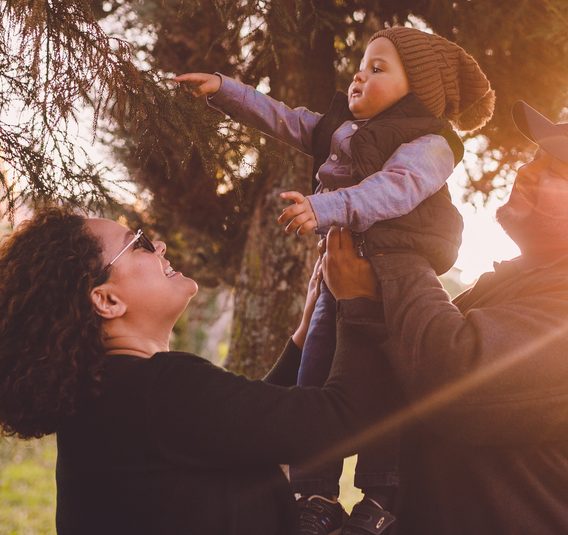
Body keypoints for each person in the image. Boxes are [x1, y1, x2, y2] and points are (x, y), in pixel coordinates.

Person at [175, 27, 494, 534]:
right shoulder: (341, 129)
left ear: (420, 90)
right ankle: (315, 492)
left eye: (378, 68)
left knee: (382, 377)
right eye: (360, 66)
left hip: (392, 276)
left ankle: (381, 494)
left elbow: (396, 189)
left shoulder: (431, 143)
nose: (359, 77)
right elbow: (283, 118)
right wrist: (225, 90)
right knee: (316, 371)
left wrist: (327, 207)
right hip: (335, 273)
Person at [324, 101, 568, 535]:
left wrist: (401, 244)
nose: (527, 170)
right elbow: (412, 376)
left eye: (557, 170)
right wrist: (362, 299)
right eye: (536, 157)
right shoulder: (531, 280)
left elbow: (455, 384)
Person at [0, 207, 397, 535]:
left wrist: (304, 337)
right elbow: (342, 420)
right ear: (106, 301)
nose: (159, 244)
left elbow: (239, 428)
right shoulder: (162, 388)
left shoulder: (109, 396)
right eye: (139, 244)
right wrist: (359, 302)